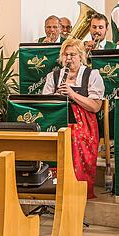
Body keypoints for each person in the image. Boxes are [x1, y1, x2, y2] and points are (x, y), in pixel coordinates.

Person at [42, 39, 104, 198]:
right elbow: (43, 103)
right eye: (66, 54)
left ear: (81, 56)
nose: (69, 58)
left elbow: (96, 107)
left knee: (74, 137)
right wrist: (55, 97)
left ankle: (76, 189)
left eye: (73, 55)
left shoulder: (91, 75)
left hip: (83, 123)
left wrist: (72, 94)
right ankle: (52, 187)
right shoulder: (54, 76)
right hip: (58, 120)